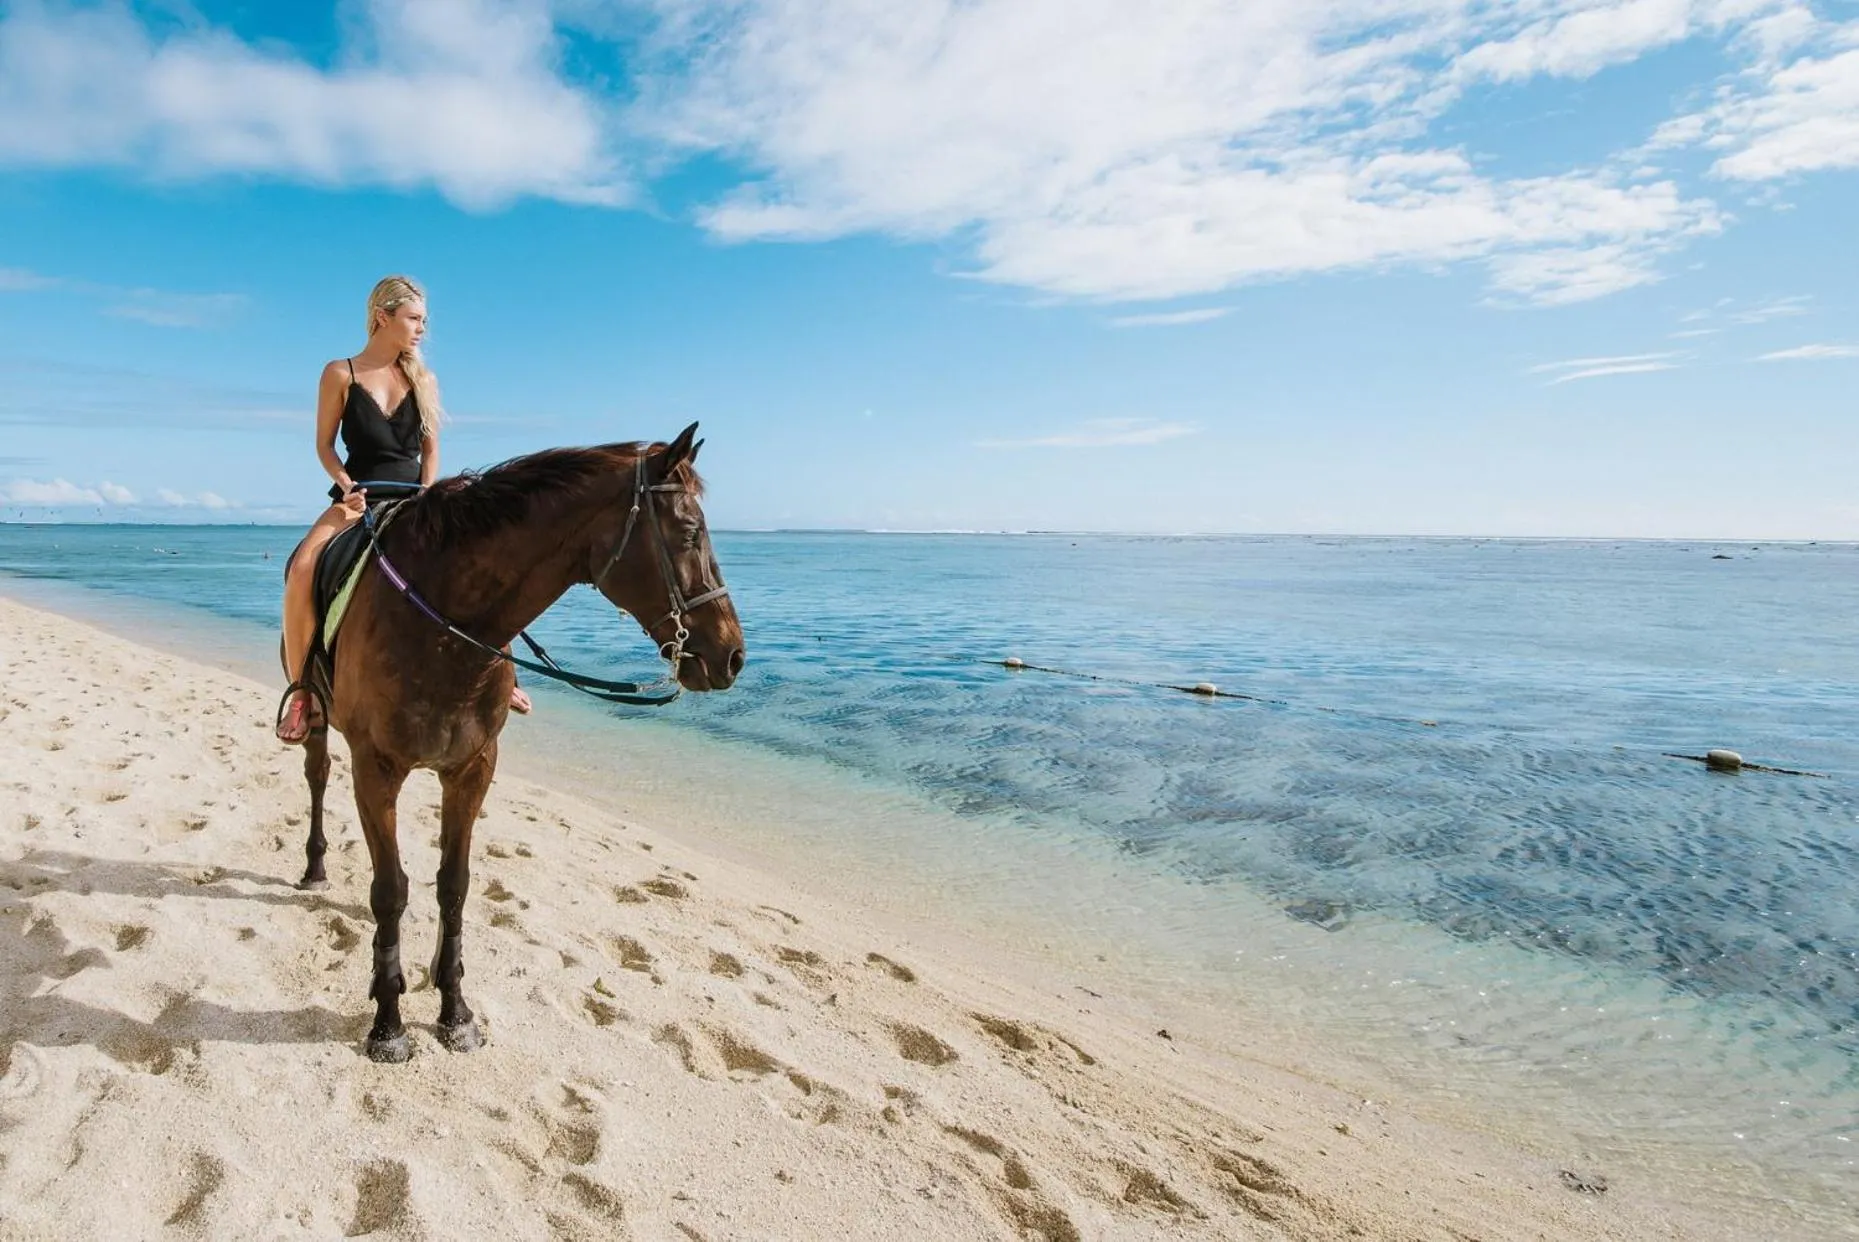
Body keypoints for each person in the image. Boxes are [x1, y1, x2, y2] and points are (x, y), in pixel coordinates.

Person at [276, 275, 530, 744]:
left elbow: (431, 452)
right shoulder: (340, 373)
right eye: (414, 319)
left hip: (417, 499)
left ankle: (504, 675)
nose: (421, 330)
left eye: (424, 321)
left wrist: (429, 495)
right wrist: (347, 485)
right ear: (383, 317)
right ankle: (301, 692)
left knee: (482, 563)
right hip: (358, 499)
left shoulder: (423, 379)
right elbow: (324, 446)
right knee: (302, 568)